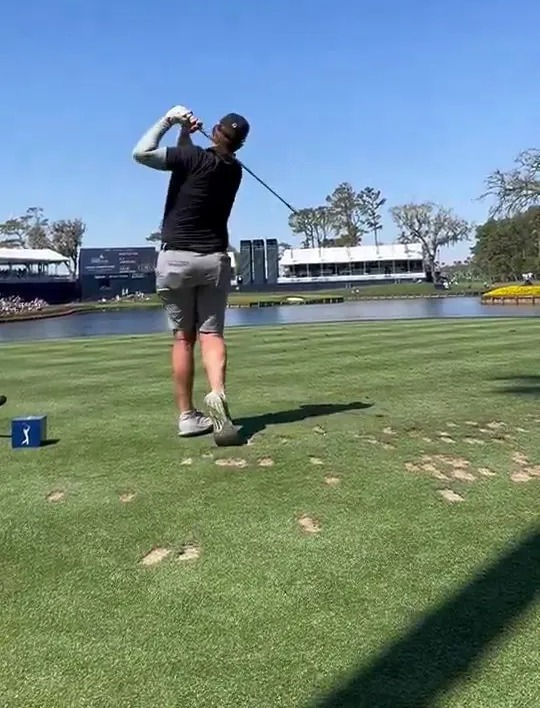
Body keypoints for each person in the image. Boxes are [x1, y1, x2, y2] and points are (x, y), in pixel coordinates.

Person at [132, 105, 250, 445]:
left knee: (184, 339)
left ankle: (187, 417)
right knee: (211, 334)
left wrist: (170, 120)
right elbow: (190, 157)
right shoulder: (234, 170)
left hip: (176, 260)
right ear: (238, 145)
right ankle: (217, 395)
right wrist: (188, 134)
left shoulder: (194, 159)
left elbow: (141, 153)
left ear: (215, 132)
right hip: (213, 260)